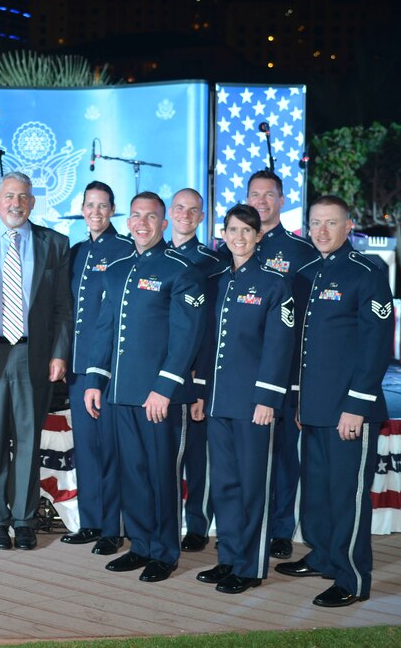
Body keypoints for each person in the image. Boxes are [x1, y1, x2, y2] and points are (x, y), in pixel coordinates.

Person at [275, 195, 393, 608]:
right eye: (315, 223)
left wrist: (357, 406)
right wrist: (298, 401)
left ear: (348, 227)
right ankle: (324, 555)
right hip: (314, 407)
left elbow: (376, 346)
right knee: (319, 493)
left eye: (331, 223)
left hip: (349, 410)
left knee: (347, 496)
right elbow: (299, 347)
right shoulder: (307, 273)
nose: (321, 231)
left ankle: (352, 578)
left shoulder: (367, 273)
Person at [84, 192, 207, 583]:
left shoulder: (181, 270)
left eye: (150, 217)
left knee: (161, 476)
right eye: (136, 215)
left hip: (157, 398)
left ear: (163, 223)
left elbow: (186, 338)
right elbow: (104, 329)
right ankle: (139, 545)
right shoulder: (117, 269)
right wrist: (94, 380)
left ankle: (164, 553)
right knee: (131, 474)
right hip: (120, 395)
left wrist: (164, 388)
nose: (141, 223)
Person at [0, 172, 72, 551]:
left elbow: (63, 308)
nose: (16, 203)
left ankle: (24, 520)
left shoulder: (55, 243)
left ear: (33, 202)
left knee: (27, 440)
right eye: (9, 196)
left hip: (33, 355)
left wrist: (59, 354)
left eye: (23, 197)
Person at [217, 169, 318, 560]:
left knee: (280, 460)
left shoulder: (301, 253)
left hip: (281, 379)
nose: (261, 200)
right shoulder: (224, 269)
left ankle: (277, 529)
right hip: (233, 387)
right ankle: (235, 552)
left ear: (281, 199)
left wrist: (287, 386)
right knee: (240, 472)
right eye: (254, 194)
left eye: (269, 194)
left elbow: (299, 328)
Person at [194, 204, 294, 594]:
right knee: (225, 485)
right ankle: (230, 558)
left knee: (254, 486)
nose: (238, 237)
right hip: (218, 401)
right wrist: (201, 392)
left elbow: (278, 347)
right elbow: (206, 343)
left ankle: (251, 567)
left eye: (246, 231)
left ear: (257, 237)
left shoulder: (274, 283)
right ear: (223, 233)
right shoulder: (217, 280)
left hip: (255, 404)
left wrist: (268, 398)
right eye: (232, 230)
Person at [62, 181, 134, 556]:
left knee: (109, 449)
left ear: (113, 209)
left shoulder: (124, 250)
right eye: (90, 205)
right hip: (76, 369)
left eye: (103, 206)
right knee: (86, 448)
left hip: (106, 371)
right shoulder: (75, 252)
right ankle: (90, 521)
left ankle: (113, 526)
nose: (95, 212)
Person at [166, 187, 221, 554]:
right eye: (180, 208)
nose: (186, 214)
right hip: (155, 378)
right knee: (164, 458)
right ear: (170, 212)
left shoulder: (213, 263)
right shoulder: (153, 257)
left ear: (202, 217)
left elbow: (211, 328)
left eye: (194, 210)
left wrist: (200, 382)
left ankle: (197, 524)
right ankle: (165, 522)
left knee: (197, 458)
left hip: (192, 377)